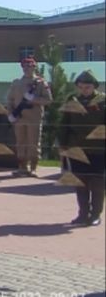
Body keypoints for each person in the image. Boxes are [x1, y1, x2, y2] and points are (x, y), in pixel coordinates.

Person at [58, 70, 105, 227]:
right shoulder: (72, 100)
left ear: (94, 87)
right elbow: (64, 124)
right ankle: (83, 214)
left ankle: (96, 214)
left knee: (97, 183)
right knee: (80, 182)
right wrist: (62, 145)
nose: (84, 90)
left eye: (88, 87)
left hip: (98, 148)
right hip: (76, 148)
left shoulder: (102, 101)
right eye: (82, 86)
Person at [7, 56, 52, 177]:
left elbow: (48, 100)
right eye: (25, 66)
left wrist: (34, 99)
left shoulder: (40, 83)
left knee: (33, 143)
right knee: (20, 143)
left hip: (34, 118)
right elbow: (10, 100)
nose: (27, 68)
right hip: (19, 118)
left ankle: (33, 167)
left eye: (30, 66)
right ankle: (22, 167)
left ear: (34, 67)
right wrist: (10, 114)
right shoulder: (16, 83)